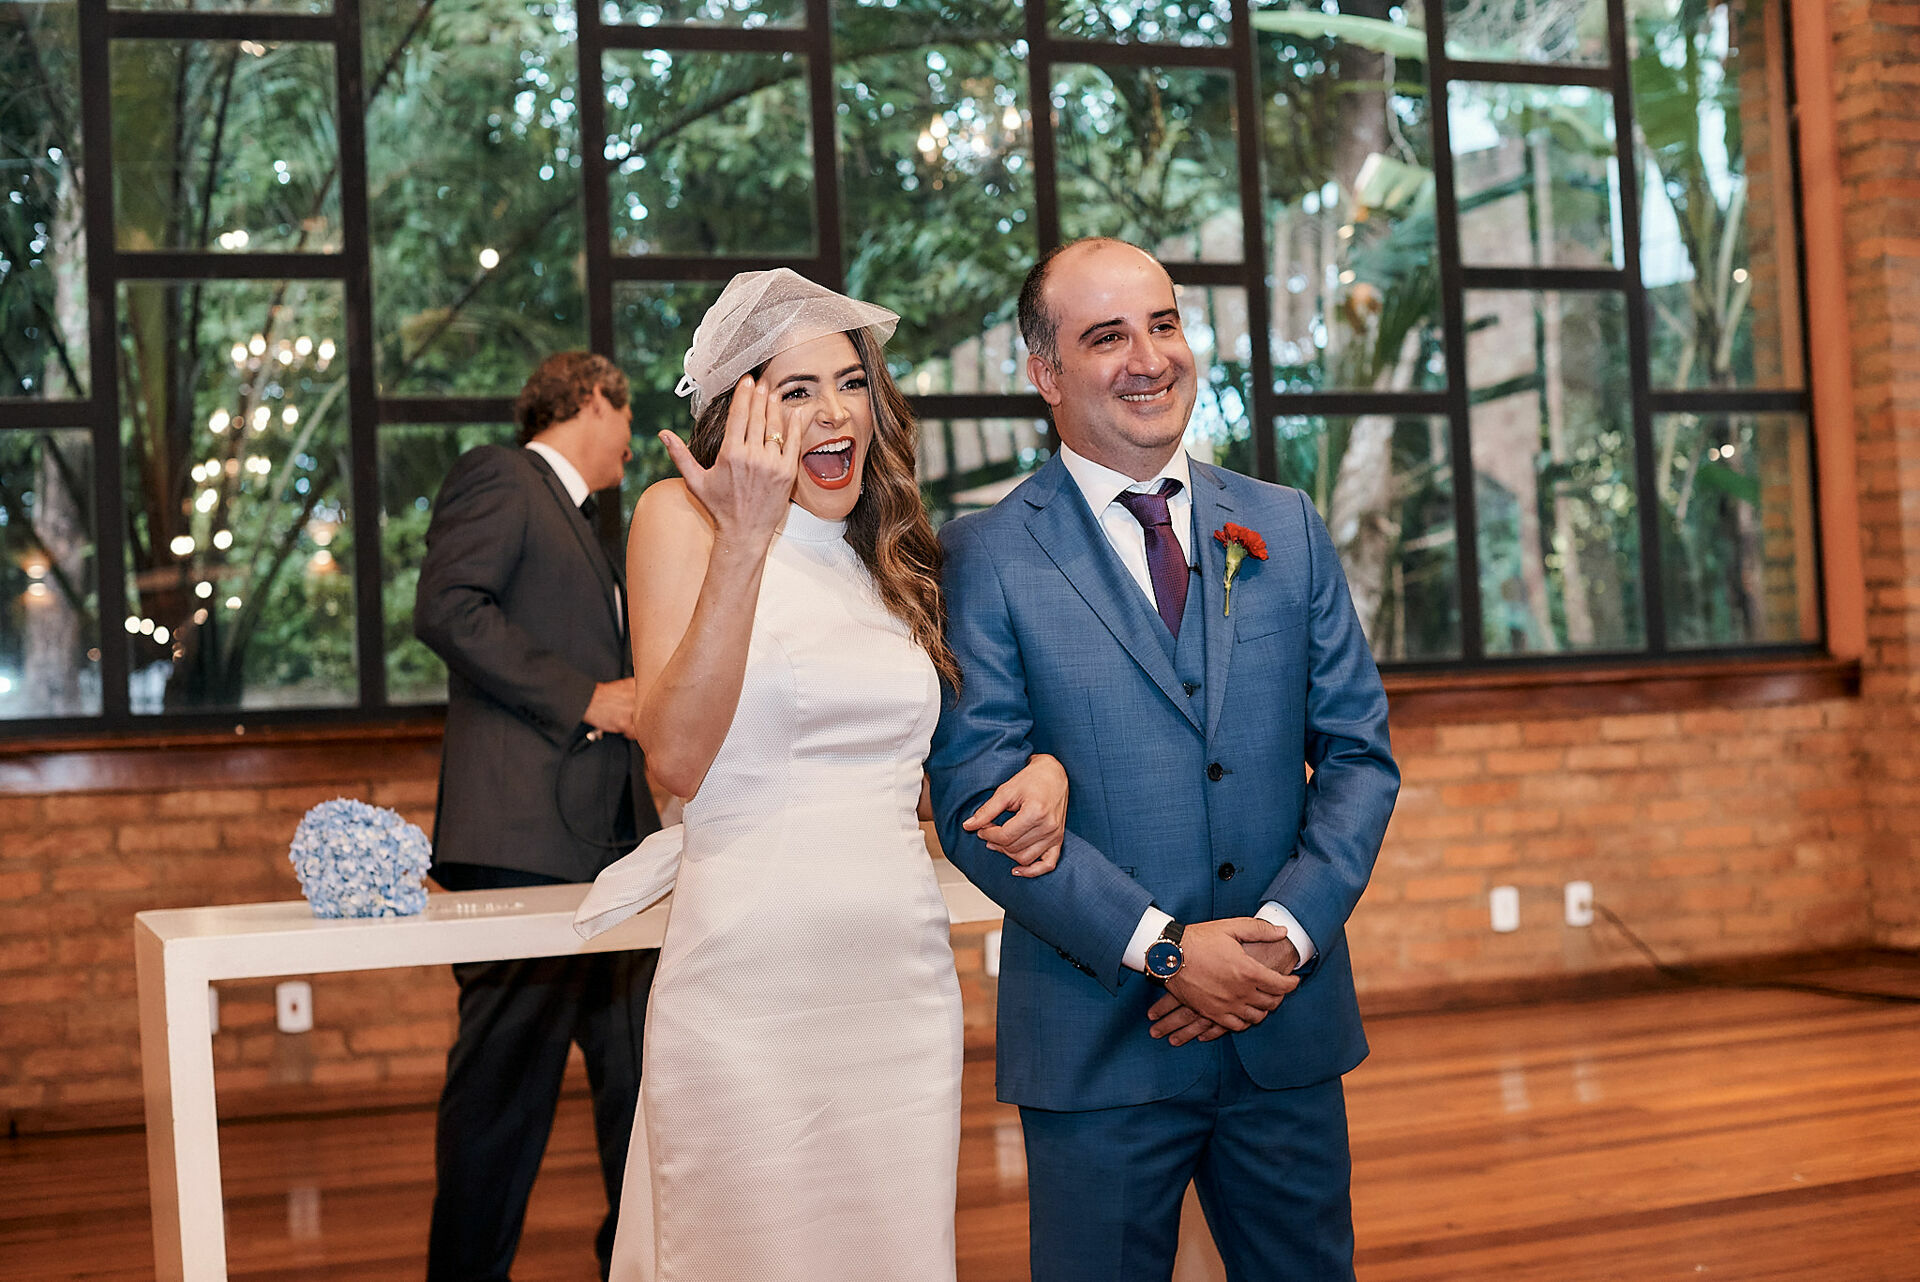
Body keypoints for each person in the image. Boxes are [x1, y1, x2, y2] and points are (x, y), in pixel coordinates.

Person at [571, 268, 1070, 1282]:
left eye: (849, 382)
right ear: (740, 410)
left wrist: (1046, 769)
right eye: (795, 390)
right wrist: (747, 540)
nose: (835, 410)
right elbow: (676, 756)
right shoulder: (682, 519)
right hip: (750, 982)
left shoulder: (886, 556)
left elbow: (922, 772)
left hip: (895, 982)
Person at [927, 238, 1400, 1282]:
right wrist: (1171, 950)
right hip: (1100, 1040)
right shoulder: (986, 556)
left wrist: (1278, 940)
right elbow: (977, 798)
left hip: (1285, 1028)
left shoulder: (1283, 524)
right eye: (1106, 337)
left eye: (1164, 324)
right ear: (1045, 374)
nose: (1149, 358)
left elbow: (1362, 757)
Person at [415, 352, 663, 1282]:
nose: (633, 441)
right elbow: (446, 607)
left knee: (638, 1086)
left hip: (609, 854)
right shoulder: (501, 475)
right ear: (593, 398)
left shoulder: (592, 526)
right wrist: (588, 697)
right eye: (628, 413)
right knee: (503, 1094)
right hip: (522, 845)